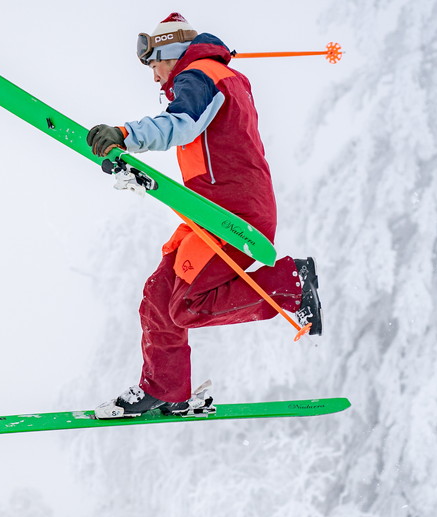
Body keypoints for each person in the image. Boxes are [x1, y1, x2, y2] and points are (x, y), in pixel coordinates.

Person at [86, 12, 323, 418]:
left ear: (170, 52)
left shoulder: (199, 75)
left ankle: (290, 283)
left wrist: (125, 135)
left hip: (233, 211)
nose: (156, 77)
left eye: (154, 63)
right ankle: (167, 390)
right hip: (210, 212)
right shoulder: (213, 76)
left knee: (186, 306)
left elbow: (182, 123)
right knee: (160, 295)